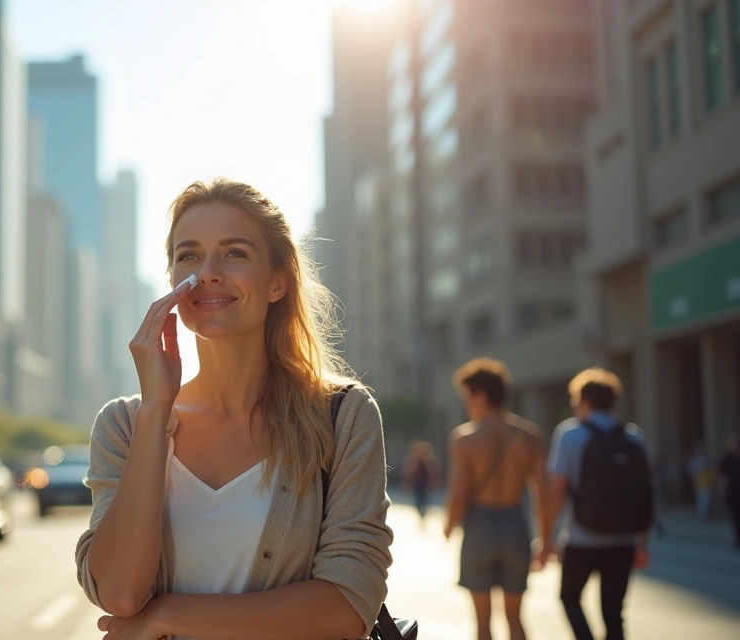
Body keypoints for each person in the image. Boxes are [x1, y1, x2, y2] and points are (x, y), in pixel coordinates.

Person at [75, 178, 392, 640]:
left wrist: (166, 616)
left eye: (235, 253)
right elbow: (120, 595)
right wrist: (155, 413)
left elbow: (348, 603)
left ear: (277, 283)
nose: (207, 272)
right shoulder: (124, 424)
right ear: (172, 283)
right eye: (188, 255)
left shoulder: (343, 416)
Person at [443, 358, 549, 640]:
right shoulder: (530, 436)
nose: (467, 405)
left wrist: (449, 526)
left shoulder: (465, 438)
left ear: (479, 396)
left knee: (482, 622)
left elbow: (459, 495)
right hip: (515, 525)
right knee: (515, 618)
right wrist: (546, 539)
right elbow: (542, 493)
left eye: (467, 397)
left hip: (480, 528)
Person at [544, 368, 652, 640]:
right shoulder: (634, 436)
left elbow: (558, 490)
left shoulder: (569, 434)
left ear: (584, 400)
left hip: (582, 537)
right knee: (614, 611)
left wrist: (546, 536)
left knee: (569, 597)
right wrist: (642, 542)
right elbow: (646, 493)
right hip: (624, 540)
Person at [401, 440, 441, 524]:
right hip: (417, 485)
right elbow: (408, 474)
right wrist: (406, 485)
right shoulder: (413, 461)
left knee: (424, 501)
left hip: (425, 486)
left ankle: (423, 514)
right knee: (418, 501)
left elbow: (434, 474)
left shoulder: (429, 461)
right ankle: (420, 513)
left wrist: (434, 483)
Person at [719, 435, 740, 550]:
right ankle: (738, 538)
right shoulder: (727, 459)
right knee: (735, 516)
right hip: (732, 491)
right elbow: (720, 473)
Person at [688, 444, 714, 520]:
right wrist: (693, 483)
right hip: (700, 483)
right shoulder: (695, 461)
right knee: (702, 499)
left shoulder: (708, 459)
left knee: (706, 499)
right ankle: (702, 514)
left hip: (707, 483)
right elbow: (692, 473)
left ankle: (704, 513)